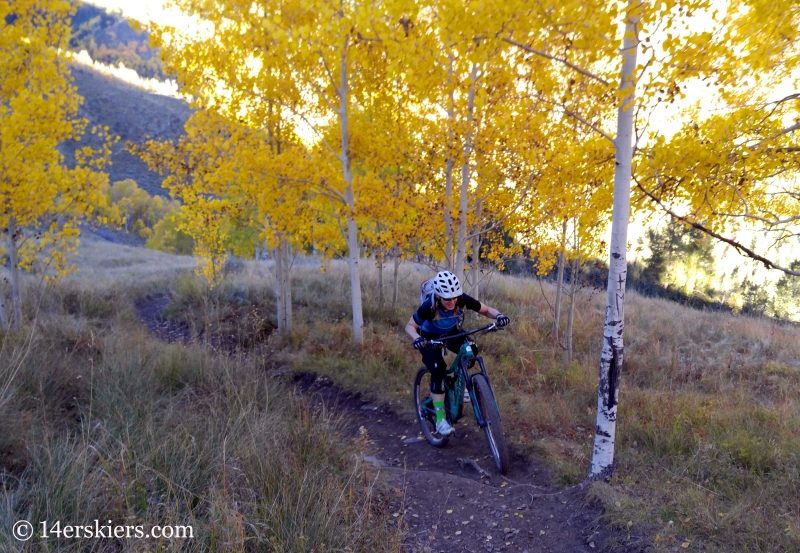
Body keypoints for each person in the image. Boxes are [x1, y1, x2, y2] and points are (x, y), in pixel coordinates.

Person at [405, 270, 510, 436]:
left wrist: (499, 316)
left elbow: (485, 310)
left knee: (471, 349)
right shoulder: (428, 307)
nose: (452, 302)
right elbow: (410, 326)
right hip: (429, 338)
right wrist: (417, 339)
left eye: (454, 298)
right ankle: (440, 419)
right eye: (447, 299)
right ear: (439, 296)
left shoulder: (461, 299)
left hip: (451, 332)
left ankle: (461, 385)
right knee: (438, 369)